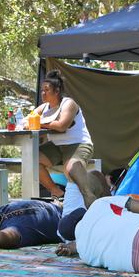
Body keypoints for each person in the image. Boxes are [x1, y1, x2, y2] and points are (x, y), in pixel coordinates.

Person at [36, 70, 94, 201]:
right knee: (32, 159)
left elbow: (62, 126)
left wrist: (42, 123)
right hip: (56, 147)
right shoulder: (44, 107)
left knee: (71, 169)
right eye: (42, 90)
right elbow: (29, 119)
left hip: (78, 144)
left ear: (56, 91)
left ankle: (88, 197)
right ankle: (56, 192)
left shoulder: (69, 103)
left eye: (46, 90)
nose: (43, 93)